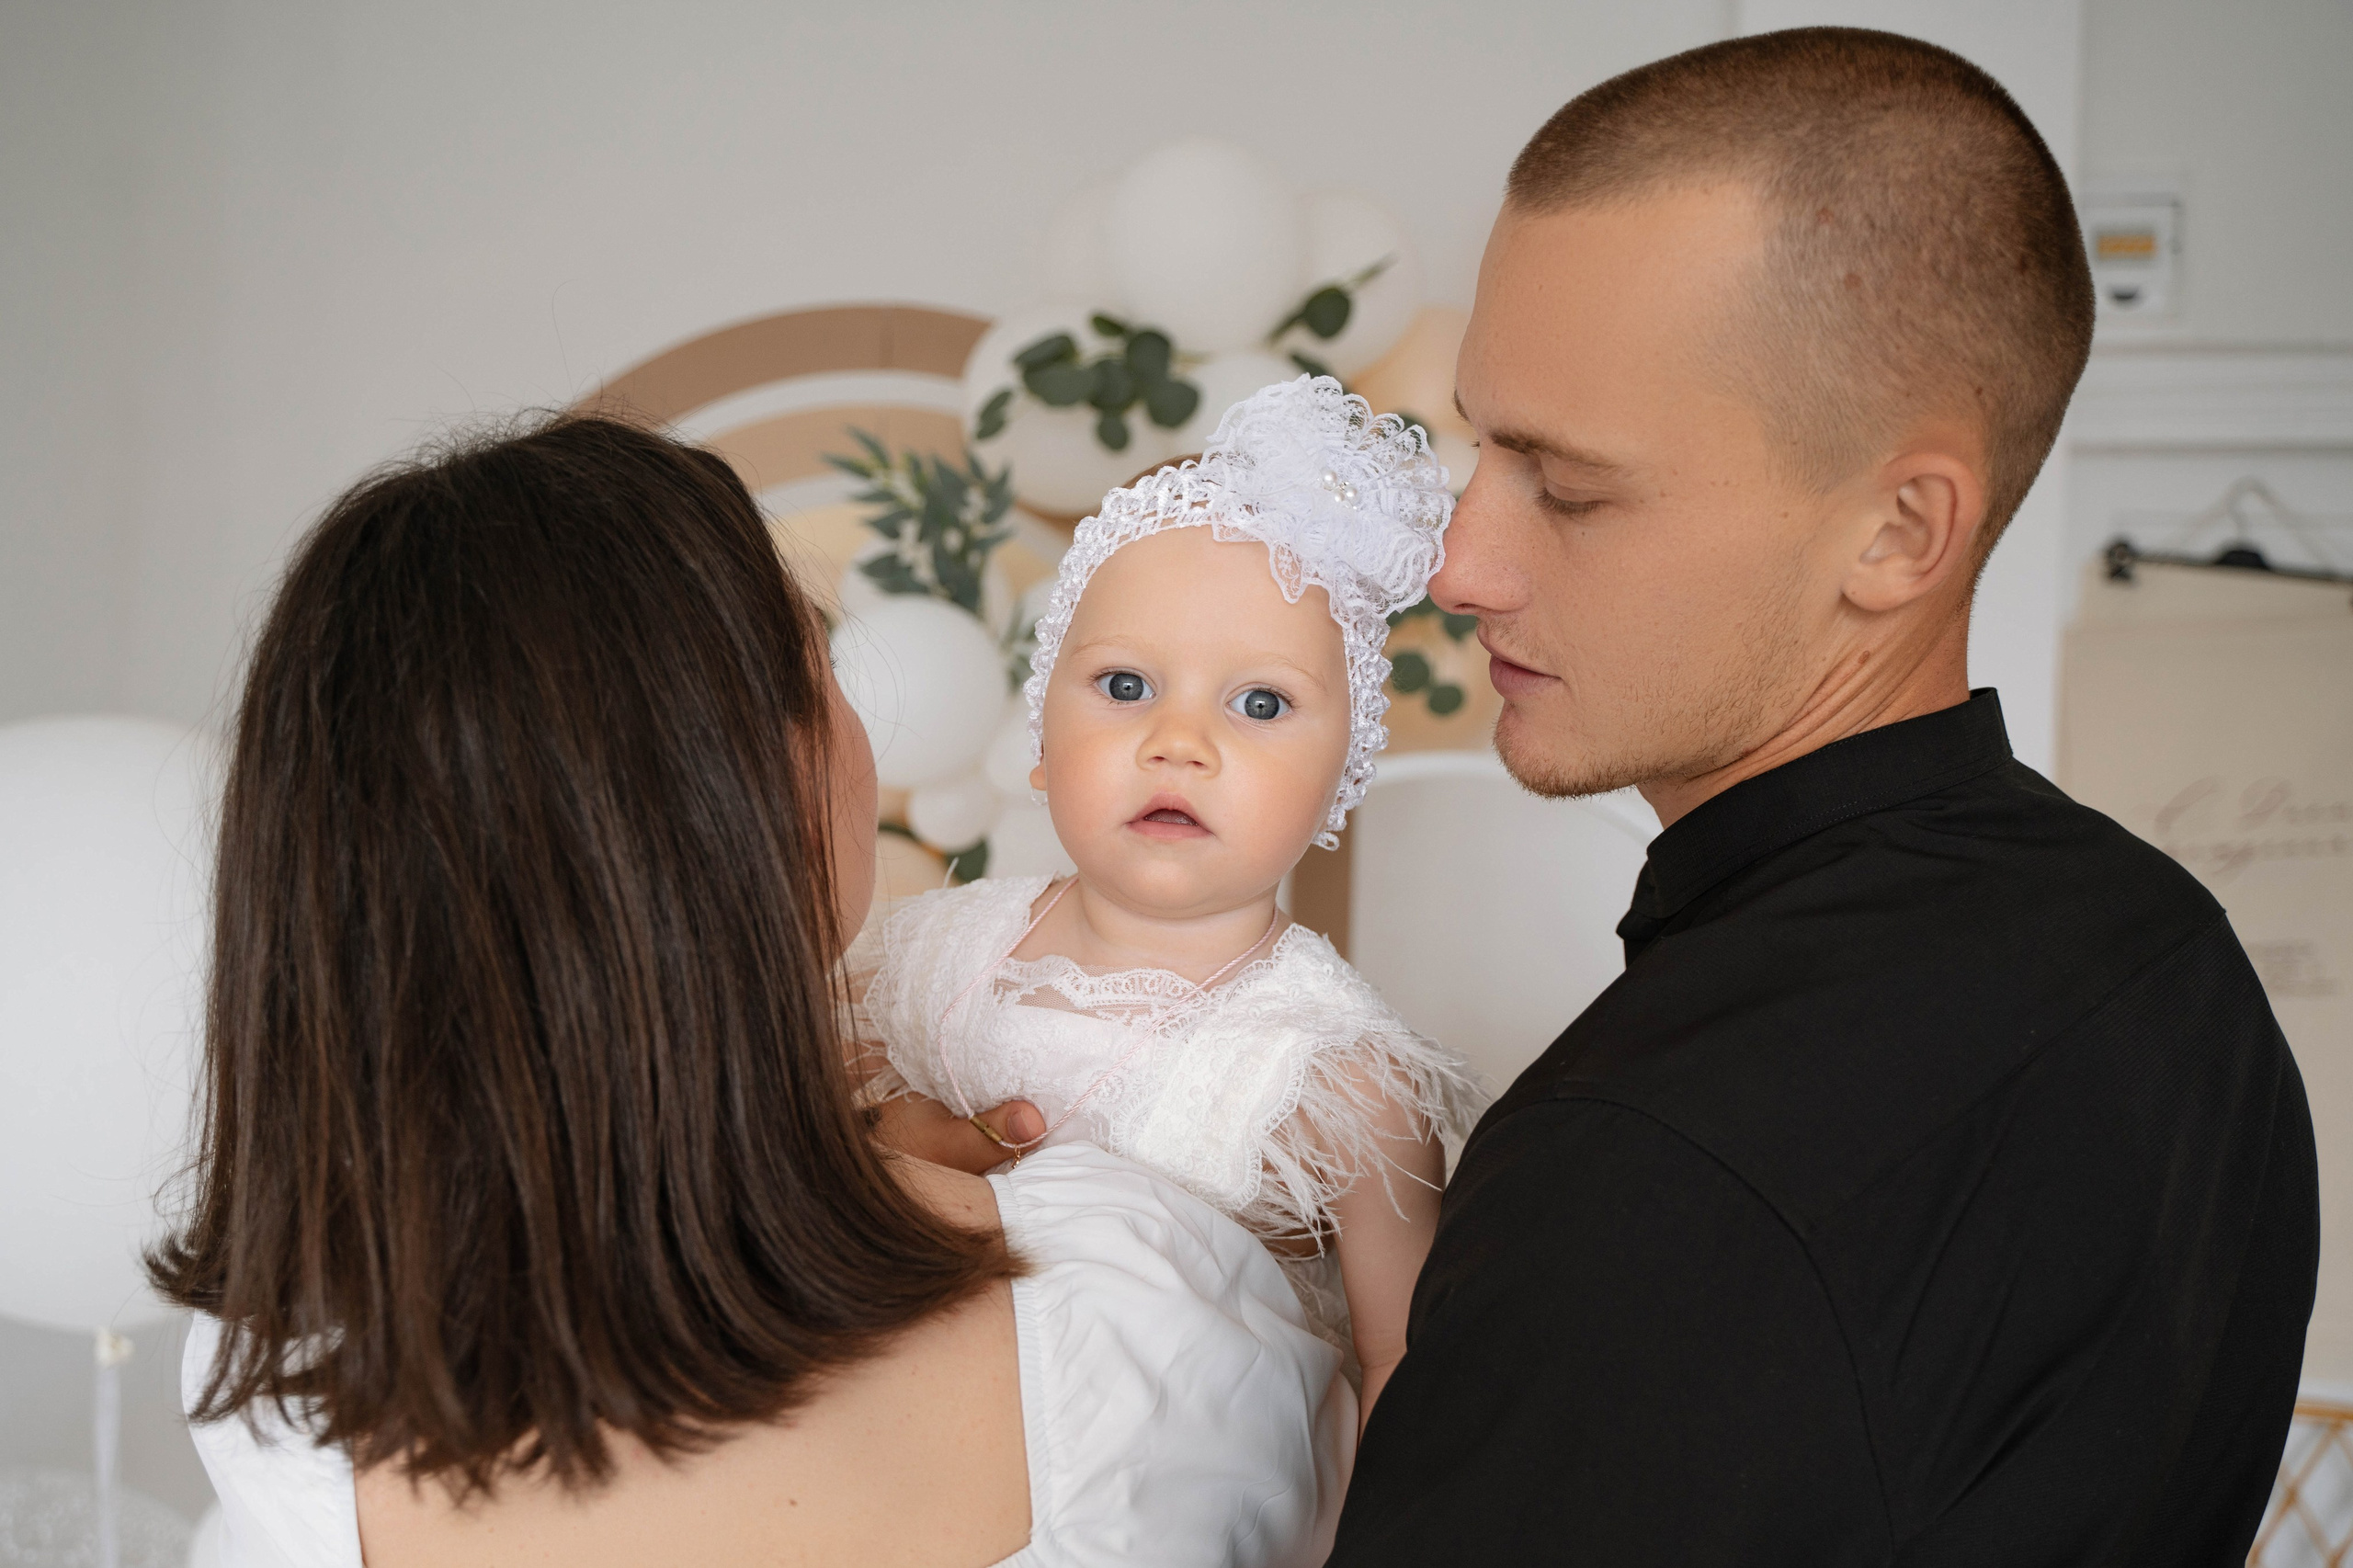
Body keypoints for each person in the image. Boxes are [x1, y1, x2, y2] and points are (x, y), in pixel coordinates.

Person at [1324, 27, 2320, 1567]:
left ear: (1901, 532)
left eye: (1567, 486)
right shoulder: (2173, 956)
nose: (1460, 565)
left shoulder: (1648, 1160)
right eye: (1479, 447)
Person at [150, 414, 1351, 1568]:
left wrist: (807, 1165)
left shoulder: (277, 1384)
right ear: (751, 785)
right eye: (822, 658)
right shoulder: (1140, 1323)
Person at [857, 376, 1483, 1417]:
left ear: (1342, 775)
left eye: (1260, 702)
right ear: (1041, 734)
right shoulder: (923, 961)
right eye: (1125, 686)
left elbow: (1402, 1364)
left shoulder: (1336, 1079)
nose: (1178, 742)